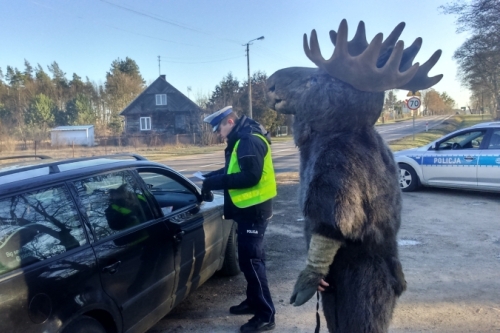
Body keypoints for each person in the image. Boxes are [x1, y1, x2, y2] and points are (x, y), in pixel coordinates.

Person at [202, 106, 277, 333]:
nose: (217, 133)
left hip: (254, 212)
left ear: (230, 122)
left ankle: (266, 314)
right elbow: (233, 169)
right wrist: (210, 177)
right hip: (248, 211)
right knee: (248, 260)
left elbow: (250, 177)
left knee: (252, 263)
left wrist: (215, 183)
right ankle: (253, 301)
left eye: (219, 128)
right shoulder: (241, 139)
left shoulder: (248, 140)